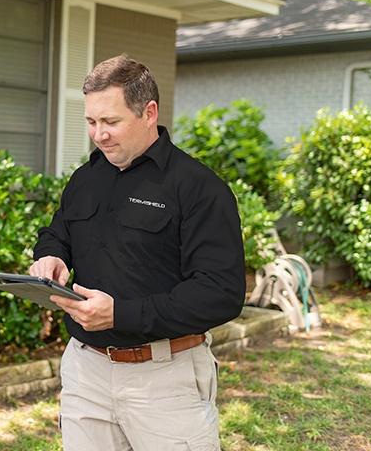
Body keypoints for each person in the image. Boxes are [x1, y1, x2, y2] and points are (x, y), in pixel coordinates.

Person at [28, 54, 245, 450]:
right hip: (85, 372)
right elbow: (57, 232)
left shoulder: (199, 189)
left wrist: (121, 314)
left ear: (149, 112)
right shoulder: (86, 178)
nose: (98, 134)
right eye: (91, 122)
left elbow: (221, 292)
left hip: (166, 379)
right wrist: (52, 255)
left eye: (111, 122)